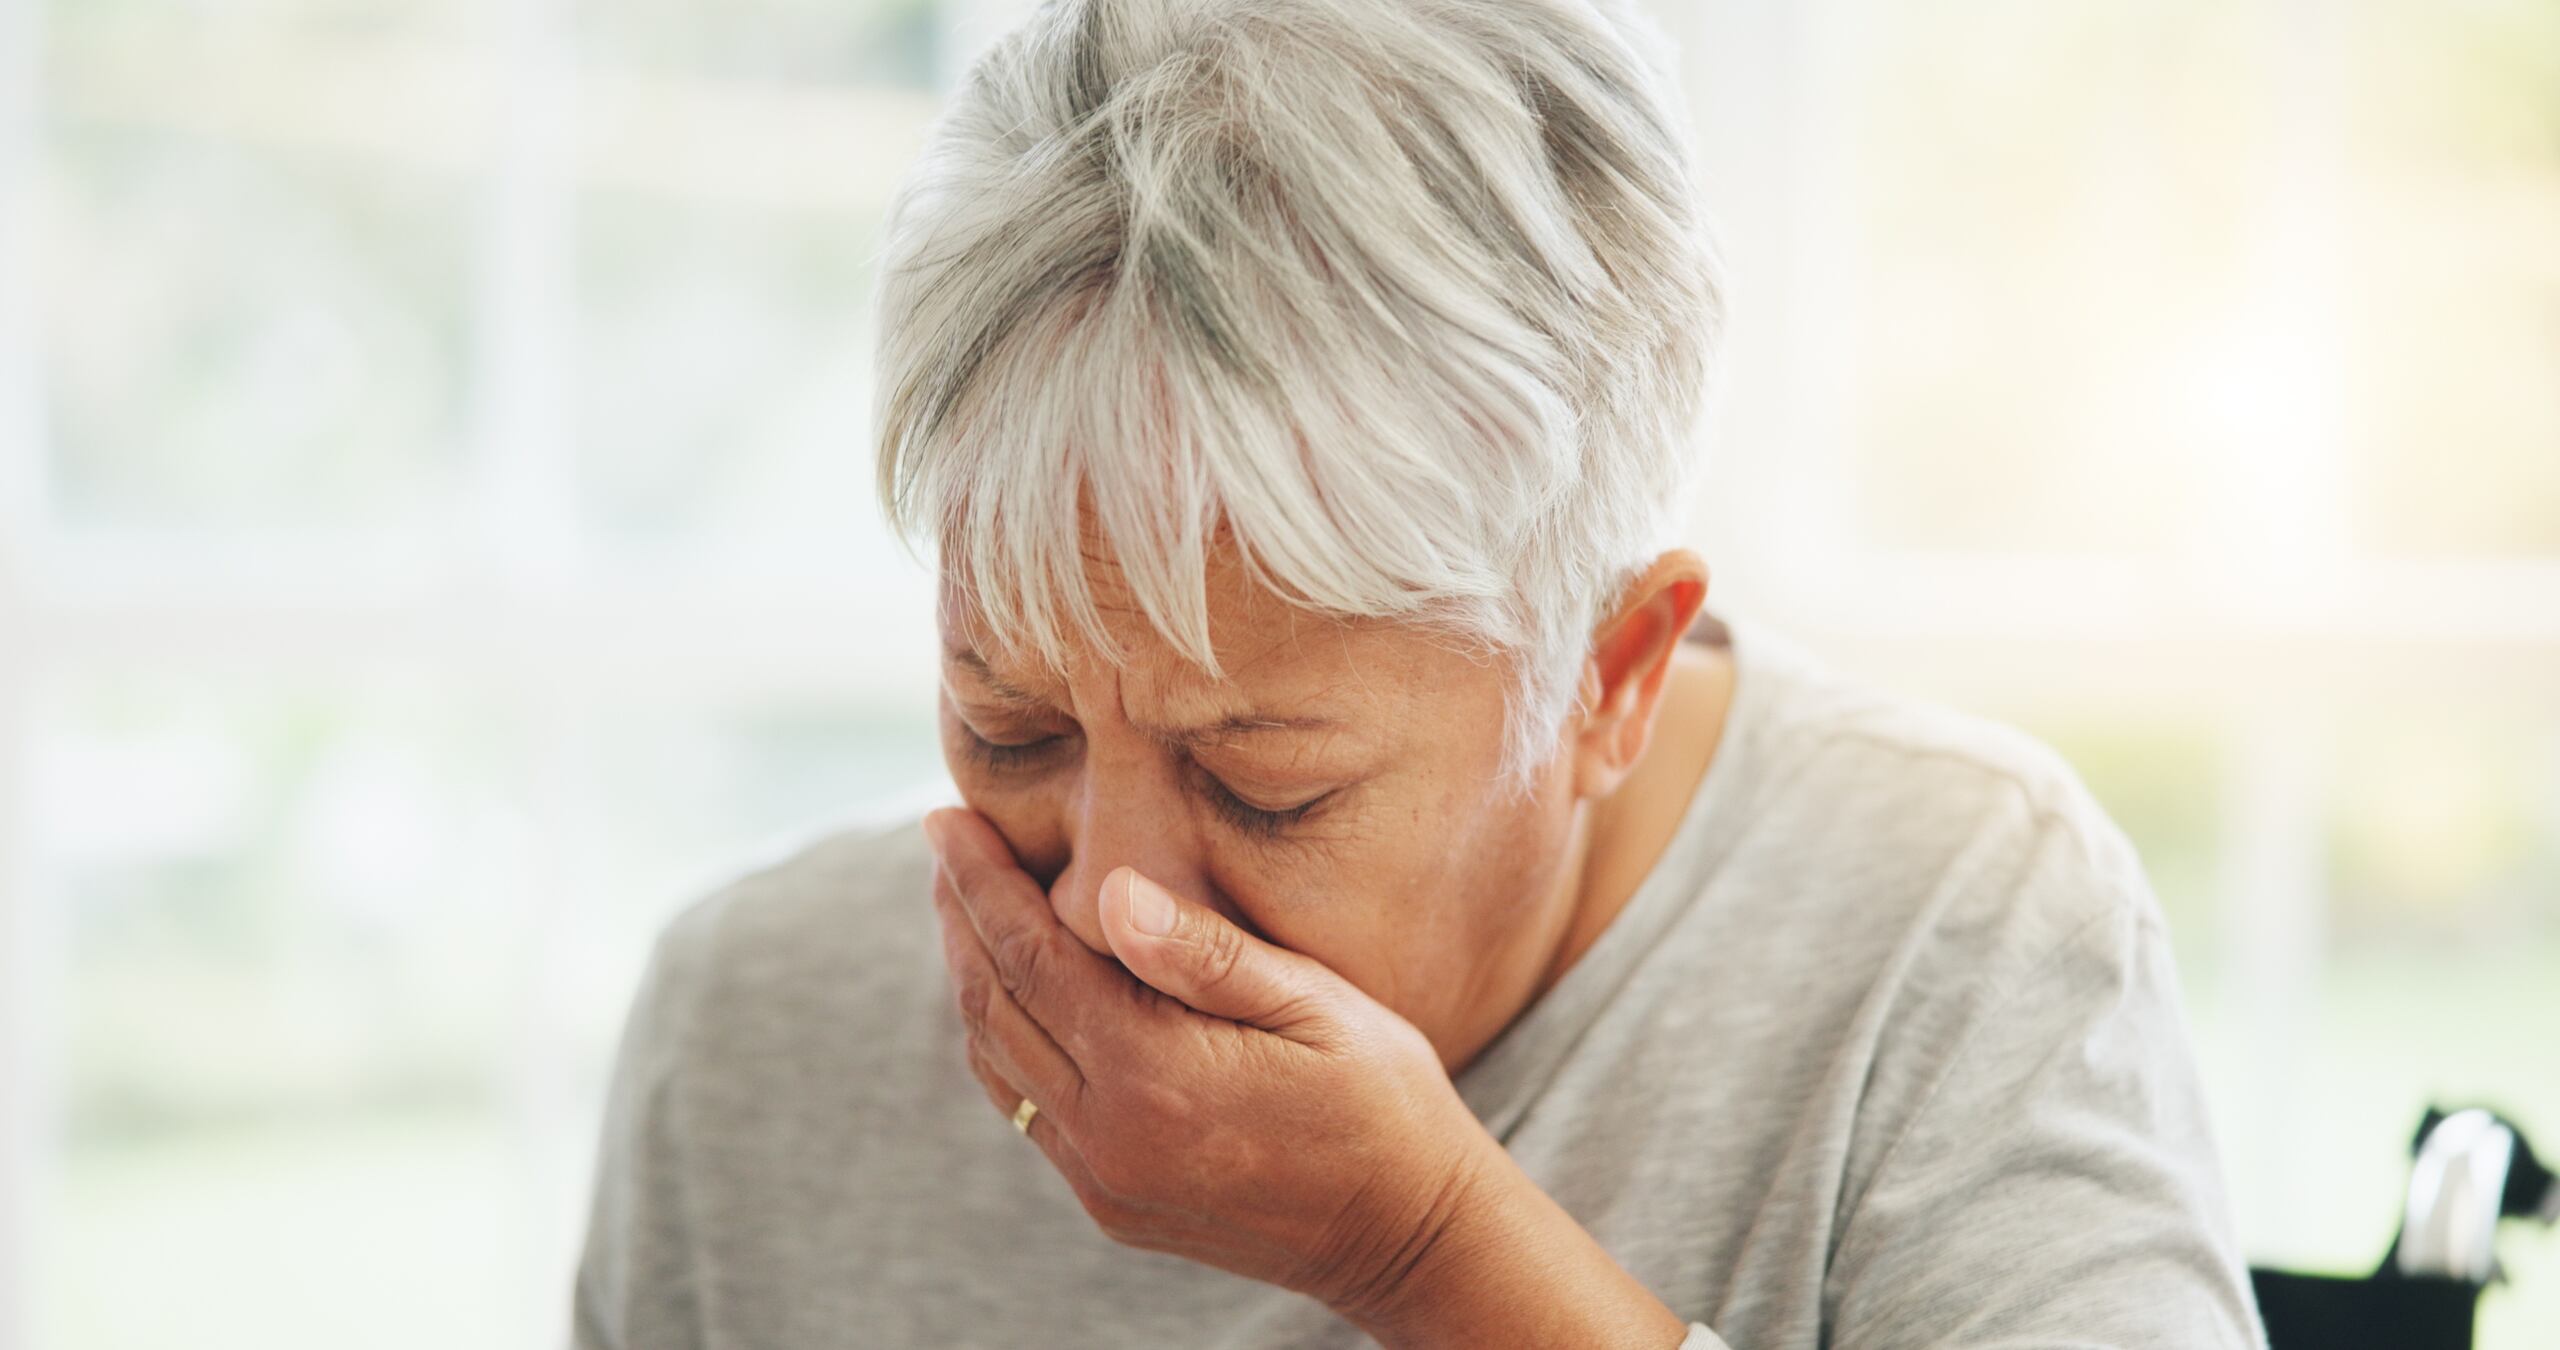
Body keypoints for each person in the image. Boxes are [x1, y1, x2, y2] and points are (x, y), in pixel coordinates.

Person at [572, 1, 2267, 1345]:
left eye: (1264, 781)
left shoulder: (1959, 921)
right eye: (1011, 723)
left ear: (1610, 673)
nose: (1109, 901)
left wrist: (1427, 1251)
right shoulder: (741, 1034)